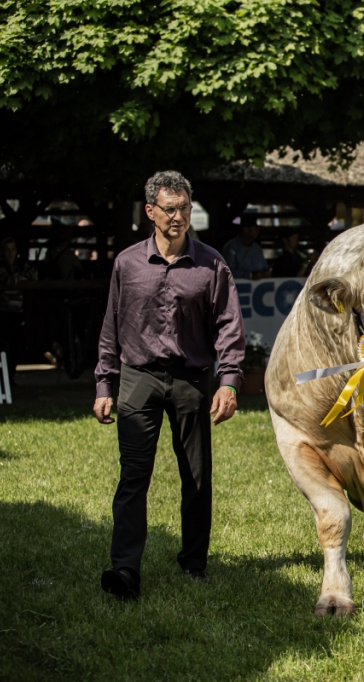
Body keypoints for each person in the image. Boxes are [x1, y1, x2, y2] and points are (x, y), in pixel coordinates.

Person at [93, 170, 245, 600]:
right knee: (133, 478)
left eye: (184, 208)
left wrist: (229, 381)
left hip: (192, 381)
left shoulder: (212, 264)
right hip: (137, 380)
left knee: (196, 478)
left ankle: (194, 563)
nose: (178, 217)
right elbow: (111, 328)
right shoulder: (126, 264)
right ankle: (124, 570)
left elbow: (229, 327)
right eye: (169, 209)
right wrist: (105, 384)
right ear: (150, 212)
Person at [0, 237, 39, 385]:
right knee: (2, 346)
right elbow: (6, 280)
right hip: (2, 312)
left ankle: (10, 377)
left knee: (16, 346)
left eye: (13, 250)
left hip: (16, 311)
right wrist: (20, 278)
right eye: (7, 250)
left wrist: (19, 277)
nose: (10, 254)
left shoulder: (20, 265)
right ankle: (1, 378)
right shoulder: (0, 265)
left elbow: (34, 276)